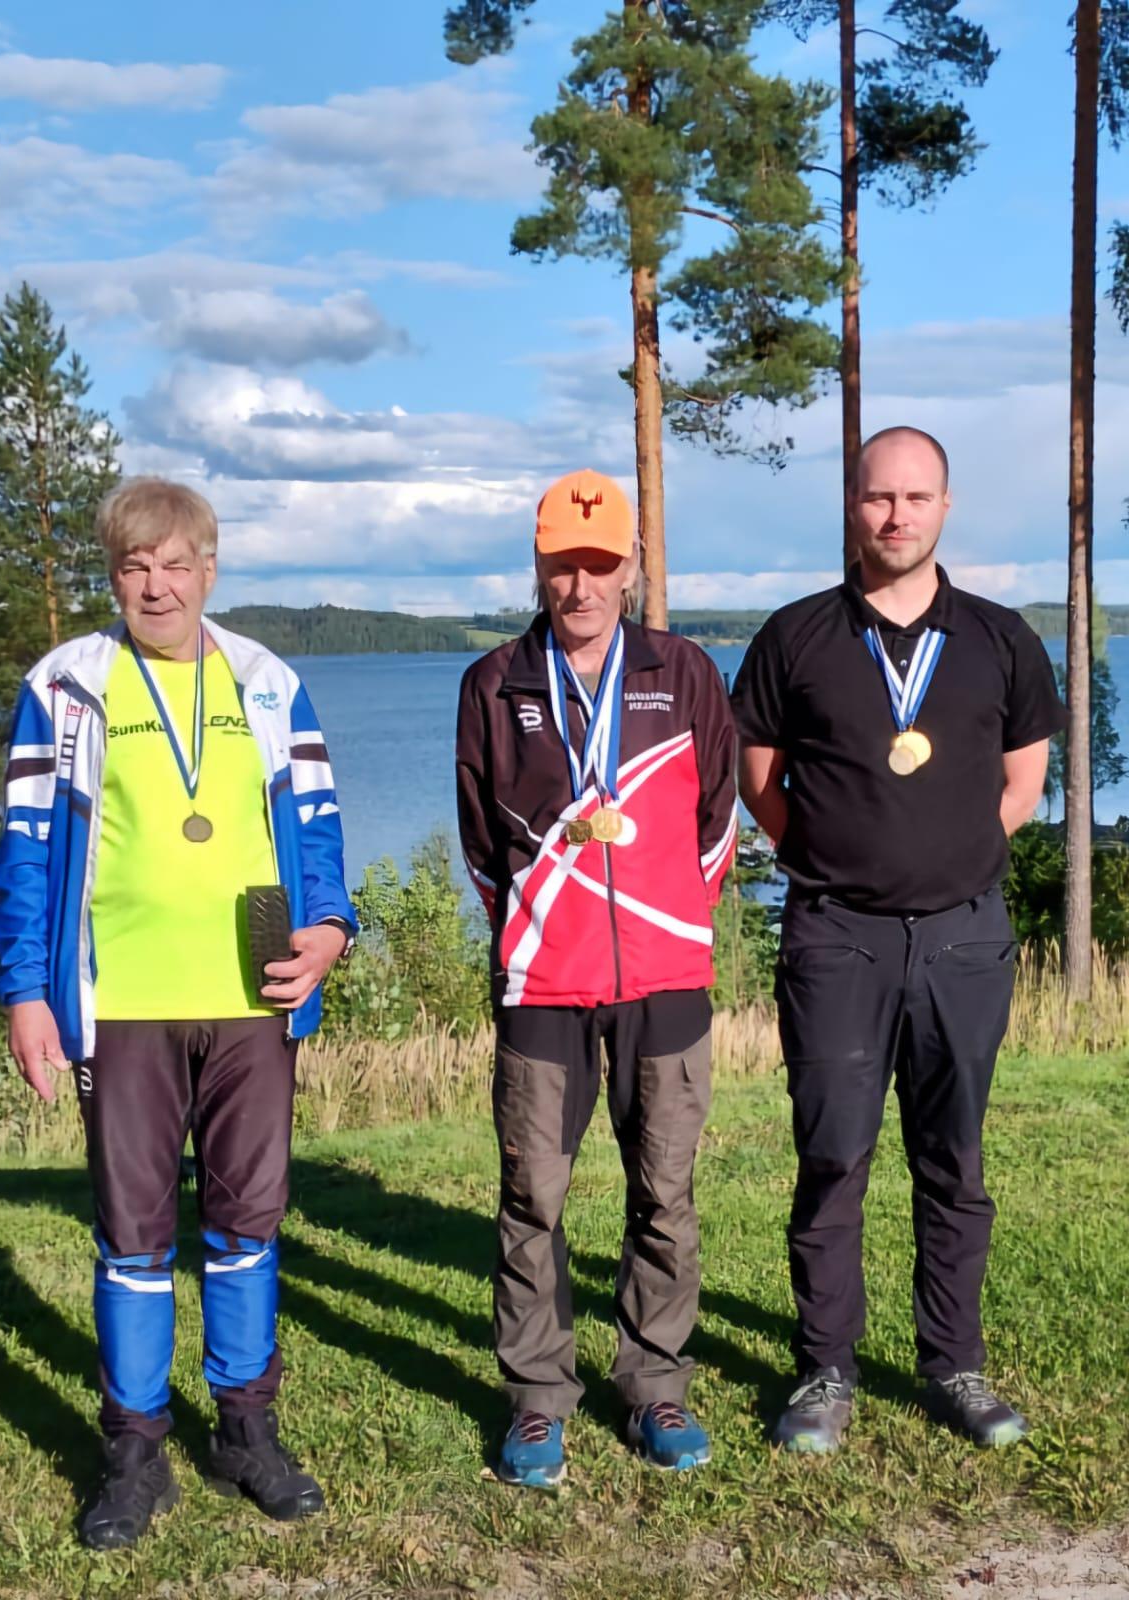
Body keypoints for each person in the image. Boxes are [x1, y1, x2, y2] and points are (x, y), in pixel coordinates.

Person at [0, 478, 357, 1549]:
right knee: (134, 1235)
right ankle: (134, 1452)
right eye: (133, 567)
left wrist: (330, 928)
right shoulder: (68, 685)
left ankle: (246, 1431)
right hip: (122, 1005)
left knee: (247, 1223)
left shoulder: (268, 681)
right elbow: (26, 847)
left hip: (253, 997)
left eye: (174, 564)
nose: (155, 586)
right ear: (114, 577)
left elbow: (317, 827)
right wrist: (25, 990)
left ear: (209, 569)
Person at [733, 427, 1063, 1454]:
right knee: (833, 1156)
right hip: (837, 938)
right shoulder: (795, 637)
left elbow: (1024, 779)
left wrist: (955, 858)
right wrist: (835, 860)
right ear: (853, 505)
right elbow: (758, 780)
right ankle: (824, 1370)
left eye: (916, 498)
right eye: (879, 497)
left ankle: (952, 1363)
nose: (896, 516)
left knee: (952, 1159)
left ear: (945, 508)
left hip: (964, 940)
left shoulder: (1001, 638)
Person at [455, 468, 738, 1489]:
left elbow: (717, 820)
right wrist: (544, 929)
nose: (580, 585)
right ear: (538, 566)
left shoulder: (685, 671)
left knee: (664, 1190)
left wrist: (668, 921)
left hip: (664, 976)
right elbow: (482, 843)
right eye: (562, 565)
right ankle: (538, 1397)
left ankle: (656, 1380)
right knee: (532, 1196)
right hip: (543, 982)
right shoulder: (494, 683)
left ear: (632, 566)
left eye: (600, 564)